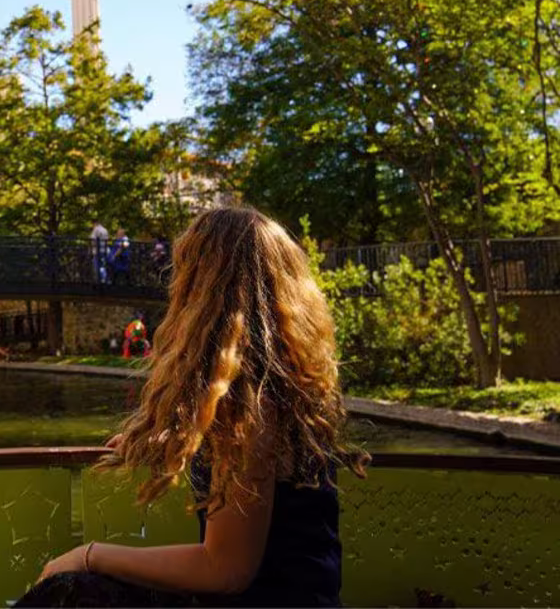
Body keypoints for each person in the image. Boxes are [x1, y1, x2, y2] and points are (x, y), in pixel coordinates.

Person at [19, 207, 369, 608]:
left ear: (204, 289)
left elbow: (227, 571)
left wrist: (89, 555)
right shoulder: (275, 392)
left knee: (72, 591)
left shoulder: (251, 407)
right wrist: (167, 442)